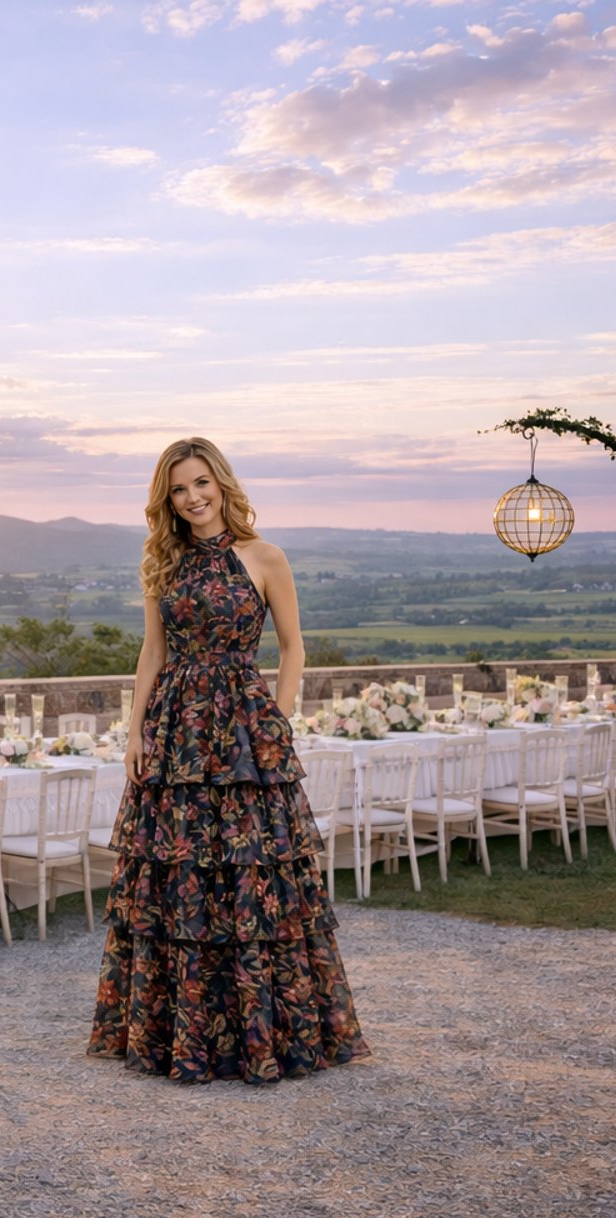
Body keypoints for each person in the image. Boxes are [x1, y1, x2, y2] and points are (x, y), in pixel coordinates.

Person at [88, 437, 369, 1083]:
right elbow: (151, 655)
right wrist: (134, 734)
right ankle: (185, 1037)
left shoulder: (264, 557)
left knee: (250, 878)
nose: (192, 498)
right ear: (168, 500)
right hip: (175, 736)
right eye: (179, 489)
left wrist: (279, 715)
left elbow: (294, 647)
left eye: (200, 484)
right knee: (181, 879)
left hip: (244, 736)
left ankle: (262, 1033)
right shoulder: (164, 563)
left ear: (222, 483)